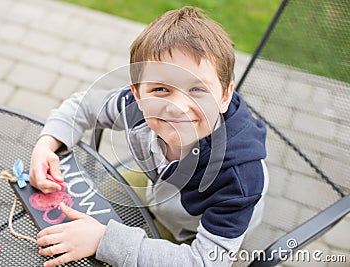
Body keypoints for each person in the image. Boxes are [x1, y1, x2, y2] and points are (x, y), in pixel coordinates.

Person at [29, 6, 268, 267]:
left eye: (197, 89)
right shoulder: (134, 108)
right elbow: (83, 106)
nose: (177, 106)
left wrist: (103, 240)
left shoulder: (239, 179)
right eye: (161, 89)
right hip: (157, 187)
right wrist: (48, 143)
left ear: (224, 96)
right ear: (138, 94)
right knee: (59, 220)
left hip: (191, 235)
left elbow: (204, 261)